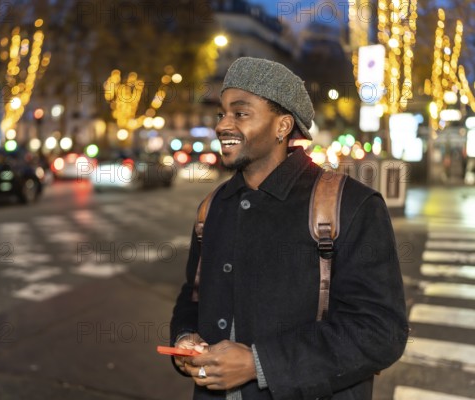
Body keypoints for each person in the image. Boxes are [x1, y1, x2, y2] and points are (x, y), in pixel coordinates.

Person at [169, 57, 408, 399]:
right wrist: (185, 336)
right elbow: (192, 295)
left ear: (282, 126)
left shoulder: (349, 204)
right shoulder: (213, 206)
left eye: (240, 113)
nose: (223, 125)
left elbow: (381, 331)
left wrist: (259, 364)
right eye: (222, 113)